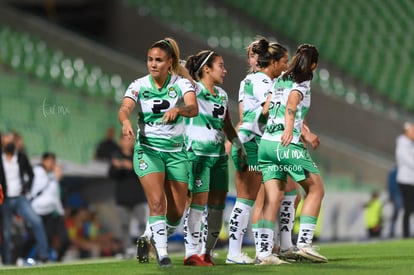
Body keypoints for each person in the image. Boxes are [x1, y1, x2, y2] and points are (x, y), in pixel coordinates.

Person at [117, 37, 198, 268]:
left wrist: (179, 110)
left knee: (176, 212)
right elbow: (125, 108)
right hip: (148, 151)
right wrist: (125, 121)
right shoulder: (138, 85)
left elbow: (194, 108)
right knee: (156, 203)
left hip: (176, 152)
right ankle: (163, 254)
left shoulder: (181, 84)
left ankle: (150, 236)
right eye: (150, 60)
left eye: (159, 60)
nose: (153, 64)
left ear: (169, 62)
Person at [258, 44, 328, 263]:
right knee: (315, 189)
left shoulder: (279, 79)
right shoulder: (303, 80)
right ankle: (305, 244)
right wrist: (290, 129)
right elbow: (292, 103)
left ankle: (264, 253)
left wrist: (302, 130)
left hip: (266, 144)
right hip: (284, 143)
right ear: (314, 64)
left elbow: (266, 109)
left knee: (272, 199)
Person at [226, 38, 289, 265]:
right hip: (251, 144)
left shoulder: (249, 80)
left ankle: (262, 252)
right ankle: (237, 252)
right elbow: (265, 110)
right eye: (283, 62)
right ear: (271, 60)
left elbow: (245, 115)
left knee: (253, 199)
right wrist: (278, 94)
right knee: (247, 200)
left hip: (251, 142)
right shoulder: (262, 80)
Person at [182, 50, 246, 266]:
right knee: (198, 203)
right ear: (206, 69)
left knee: (217, 206)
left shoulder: (222, 95)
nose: (225, 70)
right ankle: (192, 253)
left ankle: (206, 252)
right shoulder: (194, 89)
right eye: (221, 65)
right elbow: (182, 73)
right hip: (198, 155)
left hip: (219, 158)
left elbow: (227, 125)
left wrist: (239, 146)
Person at [0, 132, 49, 265]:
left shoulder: (21, 157)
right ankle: (7, 262)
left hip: (20, 198)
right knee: (6, 232)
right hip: (5, 200)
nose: (9, 143)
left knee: (36, 221)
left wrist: (27, 188)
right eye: (7, 140)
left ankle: (44, 255)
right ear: (2, 143)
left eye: (11, 140)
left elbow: (31, 174)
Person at [26, 152, 70, 262]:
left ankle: (47, 259)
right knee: (34, 238)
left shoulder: (53, 178)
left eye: (52, 162)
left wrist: (61, 211)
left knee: (50, 238)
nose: (51, 164)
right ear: (43, 161)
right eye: (49, 161)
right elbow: (37, 186)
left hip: (51, 212)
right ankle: (21, 257)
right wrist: (54, 177)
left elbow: (54, 198)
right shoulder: (37, 171)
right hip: (36, 211)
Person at [108, 134, 148, 256]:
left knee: (142, 224)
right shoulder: (116, 155)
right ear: (120, 141)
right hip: (122, 198)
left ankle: (143, 250)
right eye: (125, 139)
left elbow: (144, 171)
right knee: (124, 225)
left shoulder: (138, 154)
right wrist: (119, 166)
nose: (127, 142)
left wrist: (130, 166)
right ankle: (128, 248)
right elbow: (110, 174)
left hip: (138, 196)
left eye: (130, 140)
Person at [395, 122, 414, 238]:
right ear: (407, 131)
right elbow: (409, 162)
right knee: (408, 207)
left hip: (412, 180)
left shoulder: (411, 145)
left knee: (410, 208)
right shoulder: (402, 146)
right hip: (405, 180)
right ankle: (405, 234)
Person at [387, 166, 402, 238]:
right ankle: (391, 231)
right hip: (398, 195)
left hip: (400, 194)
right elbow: (391, 184)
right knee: (396, 213)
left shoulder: (394, 171)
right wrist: (391, 195)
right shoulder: (395, 171)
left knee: (395, 214)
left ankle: (392, 231)